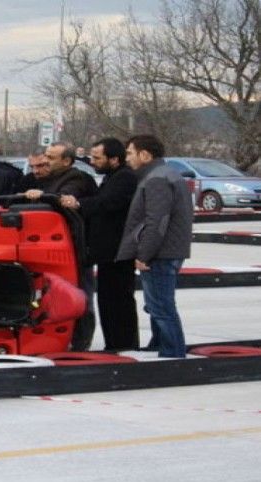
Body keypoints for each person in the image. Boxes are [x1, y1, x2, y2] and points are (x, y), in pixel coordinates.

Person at [117, 134, 193, 358]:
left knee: (161, 306)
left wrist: (144, 254)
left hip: (161, 253)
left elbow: (157, 222)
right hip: (167, 251)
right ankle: (158, 345)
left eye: (130, 153)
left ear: (145, 155)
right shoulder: (164, 174)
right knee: (156, 305)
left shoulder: (157, 179)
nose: (127, 158)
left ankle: (173, 353)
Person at [60, 138, 139, 351]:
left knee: (118, 301)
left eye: (97, 158)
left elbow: (108, 202)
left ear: (114, 159)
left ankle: (124, 345)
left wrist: (79, 203)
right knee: (107, 301)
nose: (93, 161)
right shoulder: (112, 176)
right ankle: (114, 343)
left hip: (119, 251)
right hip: (107, 252)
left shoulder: (125, 178)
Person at [24, 141, 98, 350]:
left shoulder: (77, 178)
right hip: (52, 247)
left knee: (79, 295)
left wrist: (43, 197)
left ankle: (81, 343)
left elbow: (64, 197)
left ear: (66, 161)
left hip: (75, 249)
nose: (46, 161)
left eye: (51, 158)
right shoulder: (46, 179)